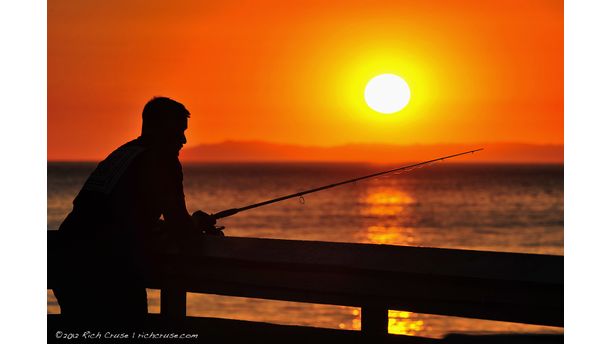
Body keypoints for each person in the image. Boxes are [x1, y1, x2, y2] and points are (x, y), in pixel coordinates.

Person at [53, 97, 215, 322]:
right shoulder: (163, 160)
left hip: (67, 264)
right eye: (176, 131)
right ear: (156, 128)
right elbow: (181, 230)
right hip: (109, 271)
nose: (183, 139)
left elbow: (103, 212)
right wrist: (197, 222)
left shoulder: (122, 154)